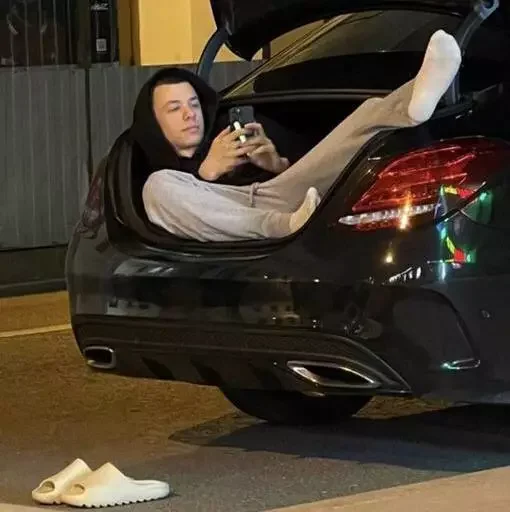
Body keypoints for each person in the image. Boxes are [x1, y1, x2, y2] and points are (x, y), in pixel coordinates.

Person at [133, 30, 462, 242]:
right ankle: (280, 226)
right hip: (263, 219)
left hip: (280, 197)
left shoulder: (226, 134)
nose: (190, 114)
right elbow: (173, 206)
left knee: (365, 114)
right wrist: (207, 172)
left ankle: (411, 104)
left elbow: (302, 182)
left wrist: (277, 165)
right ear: (154, 123)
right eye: (174, 108)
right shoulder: (157, 176)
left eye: (193, 104)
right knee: (156, 186)